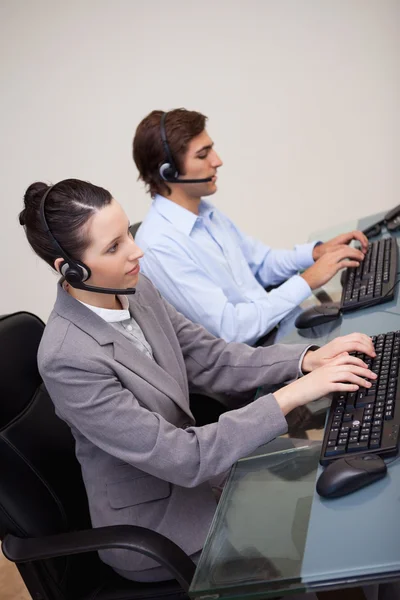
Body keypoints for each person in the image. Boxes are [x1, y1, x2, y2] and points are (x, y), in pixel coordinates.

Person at [19, 178, 376, 584]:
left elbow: (210, 357)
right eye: (114, 246)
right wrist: (293, 395)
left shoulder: (135, 287)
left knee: (343, 486)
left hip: (207, 473)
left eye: (125, 235)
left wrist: (306, 359)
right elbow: (181, 457)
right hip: (156, 526)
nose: (137, 250)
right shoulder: (67, 356)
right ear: (70, 269)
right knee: (321, 533)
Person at [133, 108, 369, 345]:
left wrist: (315, 253)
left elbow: (262, 264)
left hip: (281, 326)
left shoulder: (204, 211)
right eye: (203, 155)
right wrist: (307, 281)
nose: (218, 161)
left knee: (370, 323)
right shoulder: (160, 245)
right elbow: (233, 329)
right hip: (254, 359)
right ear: (169, 172)